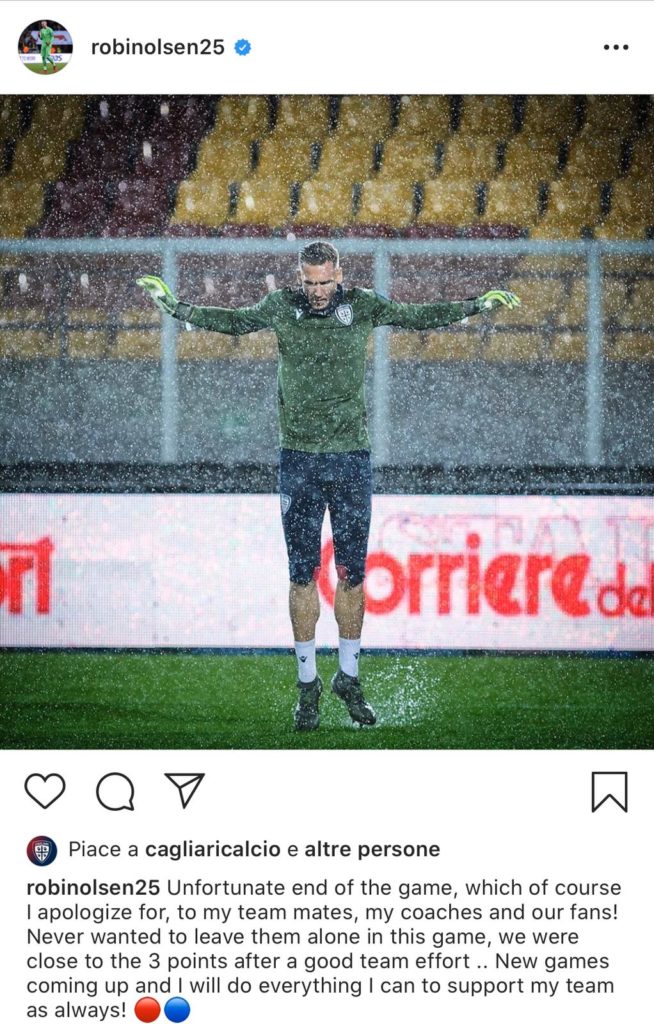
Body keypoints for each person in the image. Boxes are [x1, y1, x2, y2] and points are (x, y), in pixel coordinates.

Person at [136, 242, 520, 731]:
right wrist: (176, 307)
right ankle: (307, 686)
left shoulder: (362, 305)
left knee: (352, 575)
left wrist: (475, 305)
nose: (317, 291)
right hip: (298, 460)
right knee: (302, 576)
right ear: (300, 278)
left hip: (350, 459)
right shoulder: (281, 307)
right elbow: (234, 322)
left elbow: (417, 316)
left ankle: (349, 677)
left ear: (339, 274)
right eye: (309, 282)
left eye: (324, 282)